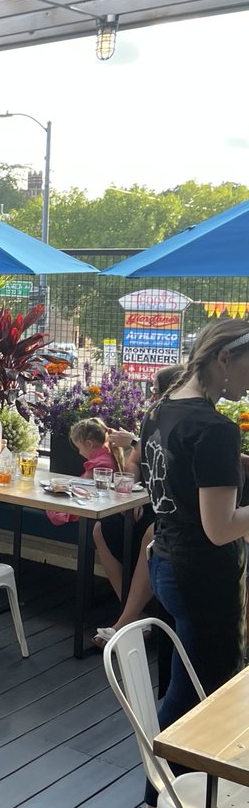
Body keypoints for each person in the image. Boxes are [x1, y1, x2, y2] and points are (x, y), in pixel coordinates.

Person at [141, 319, 249, 761]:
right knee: (202, 699)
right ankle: (162, 786)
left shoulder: (162, 407)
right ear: (224, 358)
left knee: (183, 683)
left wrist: (232, 463)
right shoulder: (216, 428)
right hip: (203, 577)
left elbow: (173, 470)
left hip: (165, 564)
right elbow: (220, 528)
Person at [93, 364, 185, 647]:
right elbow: (134, 462)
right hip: (148, 499)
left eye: (155, 392)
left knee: (150, 535)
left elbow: (176, 465)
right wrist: (131, 491)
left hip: (176, 508)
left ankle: (125, 620)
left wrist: (133, 440)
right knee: (101, 527)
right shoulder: (153, 417)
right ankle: (135, 613)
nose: (151, 398)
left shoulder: (187, 422)